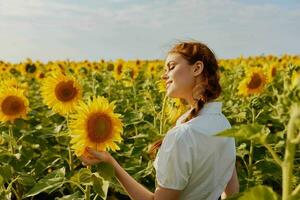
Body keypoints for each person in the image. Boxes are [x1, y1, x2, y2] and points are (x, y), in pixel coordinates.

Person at [80, 41, 240, 200]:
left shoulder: (183, 135)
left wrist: (111, 163)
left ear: (197, 68)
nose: (164, 75)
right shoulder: (223, 125)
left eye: (171, 67)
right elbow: (232, 192)